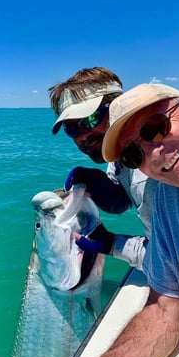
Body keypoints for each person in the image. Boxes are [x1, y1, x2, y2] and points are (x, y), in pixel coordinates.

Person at [87, 82, 179, 357]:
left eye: (156, 127)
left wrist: (113, 245)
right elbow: (165, 311)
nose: (152, 152)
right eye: (133, 155)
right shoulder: (168, 196)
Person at [48, 67, 157, 270]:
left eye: (89, 119)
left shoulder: (162, 168)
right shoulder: (120, 157)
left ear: (118, 106)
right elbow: (124, 200)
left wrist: (113, 244)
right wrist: (101, 185)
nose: (81, 136)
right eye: (71, 129)